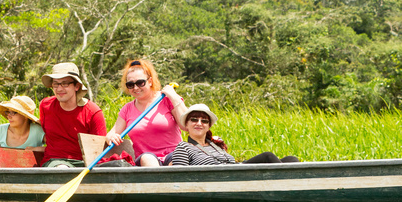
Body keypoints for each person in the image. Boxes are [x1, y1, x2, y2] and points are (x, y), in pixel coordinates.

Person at [105, 59, 187, 167]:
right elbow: (111, 133)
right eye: (130, 84)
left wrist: (174, 97)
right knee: (148, 158)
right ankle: (158, 182)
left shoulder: (166, 100)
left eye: (140, 83)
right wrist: (112, 137)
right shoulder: (127, 109)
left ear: (150, 81)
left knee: (177, 160)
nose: (135, 88)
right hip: (146, 160)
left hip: (173, 155)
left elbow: (186, 125)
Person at [166, 103, 299, 166]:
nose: (199, 123)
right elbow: (179, 177)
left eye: (204, 121)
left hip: (236, 170)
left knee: (292, 159)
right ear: (187, 125)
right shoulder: (183, 147)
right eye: (194, 119)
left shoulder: (214, 144)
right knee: (268, 156)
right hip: (220, 178)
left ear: (208, 126)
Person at [38, 62, 107, 168]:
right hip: (54, 162)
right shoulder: (45, 105)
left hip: (86, 164)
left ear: (77, 86)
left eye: (65, 83)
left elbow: (99, 149)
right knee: (62, 169)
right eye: (56, 84)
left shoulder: (93, 112)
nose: (59, 89)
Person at [0, 95, 45, 165]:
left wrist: (35, 150)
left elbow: (54, 149)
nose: (9, 116)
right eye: (8, 112)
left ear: (25, 116)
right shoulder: (1, 131)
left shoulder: (38, 131)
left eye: (13, 112)